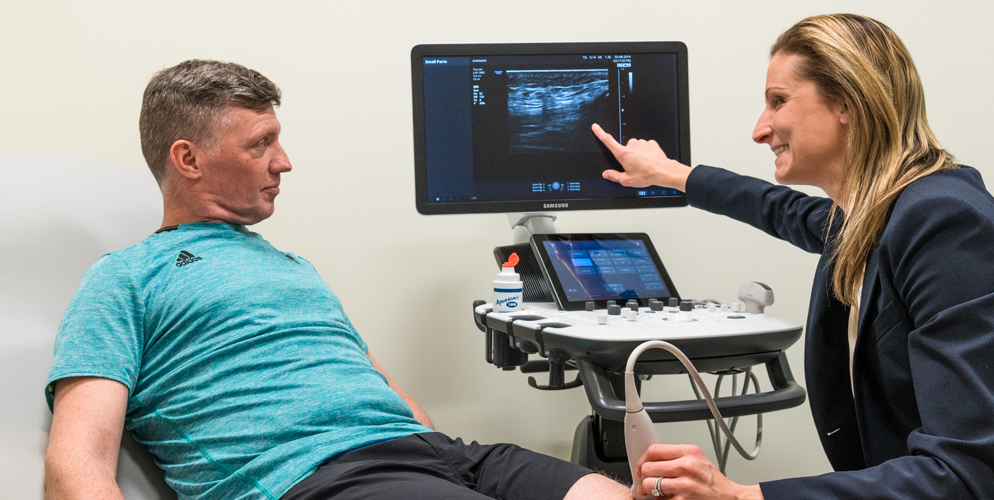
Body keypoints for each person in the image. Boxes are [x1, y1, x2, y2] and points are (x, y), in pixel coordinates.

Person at [43, 59, 631, 500]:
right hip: (312, 476)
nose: (285, 161)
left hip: (435, 456)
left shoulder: (292, 266)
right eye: (261, 144)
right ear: (189, 160)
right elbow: (77, 460)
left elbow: (369, 378)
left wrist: (438, 454)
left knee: (614, 494)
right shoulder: (124, 278)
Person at [592, 13, 994, 500]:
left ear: (847, 101)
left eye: (778, 101)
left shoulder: (946, 224)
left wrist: (741, 495)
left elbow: (959, 473)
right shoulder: (874, 212)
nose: (759, 128)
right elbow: (783, 210)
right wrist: (671, 174)